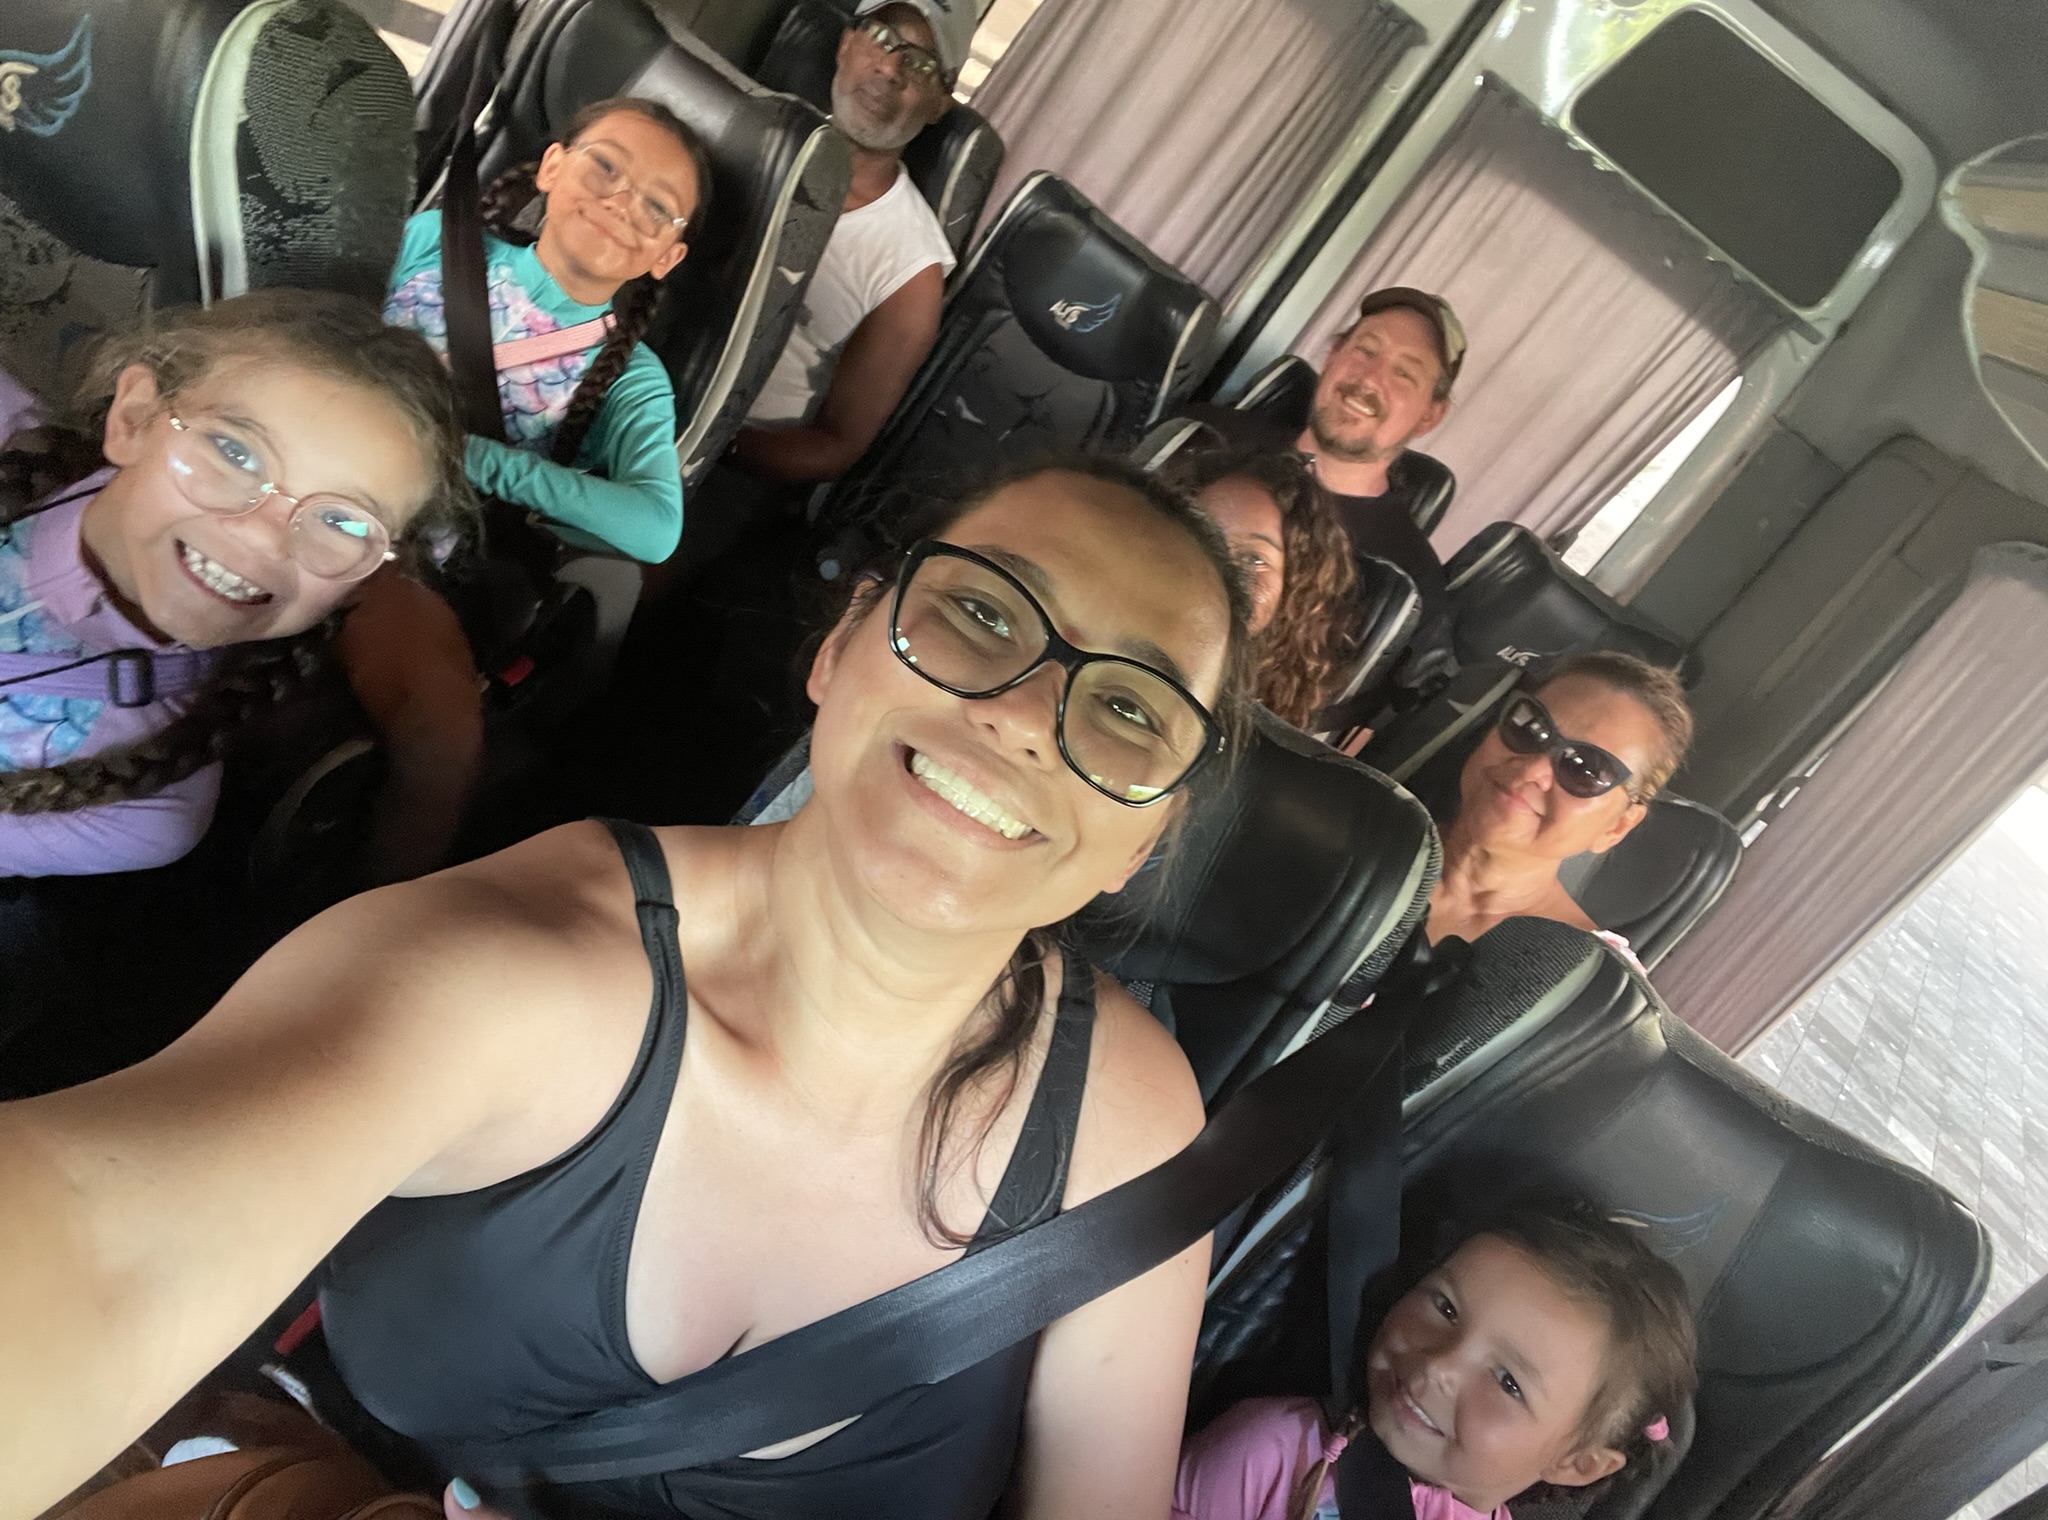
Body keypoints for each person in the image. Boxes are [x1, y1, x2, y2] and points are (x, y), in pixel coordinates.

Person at [0, 457, 1256, 1520]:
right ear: (840, 647)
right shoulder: (517, 969)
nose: (1029, 716)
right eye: (981, 613)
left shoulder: (1127, 1128)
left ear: (1142, 840)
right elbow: (103, 1241)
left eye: (1129, 709)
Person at [0, 291, 469, 880]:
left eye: (343, 522)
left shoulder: (145, 816)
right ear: (134, 419)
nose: (264, 539)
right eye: (234, 452)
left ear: (367, 575)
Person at [1173, 1197, 1697, 1520]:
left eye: (1508, 1382)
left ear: (1576, 1463)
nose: (1439, 1366)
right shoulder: (1274, 1451)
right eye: (1445, 1307)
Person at [384, 96, 712, 565]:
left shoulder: (630, 376)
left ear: (667, 257)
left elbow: (656, 528)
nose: (621, 203)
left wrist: (471, 458)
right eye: (606, 166)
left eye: (658, 207)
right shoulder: (435, 239)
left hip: (395, 554)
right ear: (552, 167)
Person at [728, 0, 971, 486]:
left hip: (730, 460)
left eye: (921, 63)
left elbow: (836, 446)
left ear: (939, 103)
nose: (891, 69)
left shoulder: (911, 272)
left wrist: (706, 440)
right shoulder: (755, 130)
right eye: (882, 38)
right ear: (845, 44)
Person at [1203, 288, 1468, 686]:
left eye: (1404, 373)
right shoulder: (1208, 434)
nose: (1369, 379)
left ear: (1430, 414)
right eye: (1365, 350)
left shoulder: (1404, 587)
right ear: (1332, 356)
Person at [1425, 653, 1693, 959]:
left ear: (1617, 827)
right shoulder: (1378, 824)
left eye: (1586, 770)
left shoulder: (1587, 977)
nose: (1532, 770)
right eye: (1530, 728)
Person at [1179, 444, 1362, 731]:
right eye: (1202, 537)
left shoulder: (1265, 723)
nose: (1218, 571)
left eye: (1253, 559)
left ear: (1294, 591)